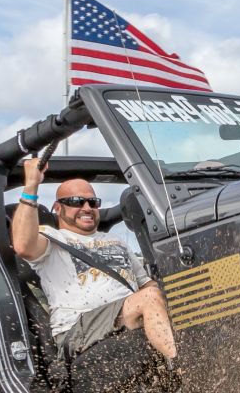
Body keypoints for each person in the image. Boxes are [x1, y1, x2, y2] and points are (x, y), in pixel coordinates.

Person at [11, 157, 176, 366]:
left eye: (93, 202)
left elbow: (146, 284)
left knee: (166, 296)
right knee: (150, 297)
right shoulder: (52, 239)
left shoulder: (116, 242)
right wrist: (31, 185)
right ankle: (183, 368)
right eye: (76, 202)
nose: (87, 207)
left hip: (126, 315)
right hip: (78, 329)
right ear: (58, 208)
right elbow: (23, 245)